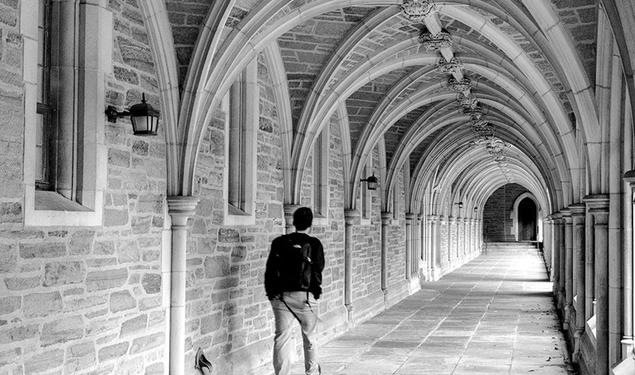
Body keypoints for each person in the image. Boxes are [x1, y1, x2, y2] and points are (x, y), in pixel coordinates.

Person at [265, 207, 325, 375]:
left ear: (293, 222)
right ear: (310, 224)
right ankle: (312, 372)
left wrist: (272, 294)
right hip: (305, 296)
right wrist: (315, 292)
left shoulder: (279, 242)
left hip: (282, 297)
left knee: (282, 337)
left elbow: (270, 269)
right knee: (310, 337)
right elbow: (318, 268)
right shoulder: (314, 243)